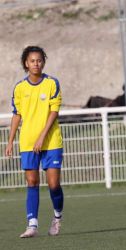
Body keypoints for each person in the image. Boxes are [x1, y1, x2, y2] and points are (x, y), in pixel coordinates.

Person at [5, 46, 64, 238]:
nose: (36, 64)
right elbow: (17, 115)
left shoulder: (52, 83)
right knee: (32, 181)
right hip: (28, 141)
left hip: (51, 141)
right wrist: (10, 140)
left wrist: (42, 136)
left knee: (53, 184)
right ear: (26, 64)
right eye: (32, 61)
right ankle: (32, 225)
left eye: (39, 60)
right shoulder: (20, 88)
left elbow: (54, 112)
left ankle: (57, 217)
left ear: (43, 62)